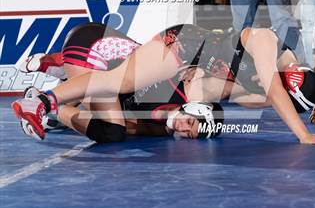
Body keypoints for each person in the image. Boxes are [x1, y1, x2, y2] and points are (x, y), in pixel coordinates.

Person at [12, 23, 315, 146]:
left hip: (185, 67)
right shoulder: (269, 43)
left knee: (114, 128)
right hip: (186, 44)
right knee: (121, 80)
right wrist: (303, 135)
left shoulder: (263, 87)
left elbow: (255, 97)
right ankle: (41, 101)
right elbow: (276, 92)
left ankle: (55, 100)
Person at [19, 23, 224, 142]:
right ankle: (45, 102)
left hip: (97, 66)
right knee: (113, 121)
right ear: (195, 107)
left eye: (189, 134)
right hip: (94, 45)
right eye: (190, 123)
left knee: (113, 128)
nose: (183, 128)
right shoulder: (184, 86)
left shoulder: (161, 129)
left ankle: (57, 79)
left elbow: (126, 125)